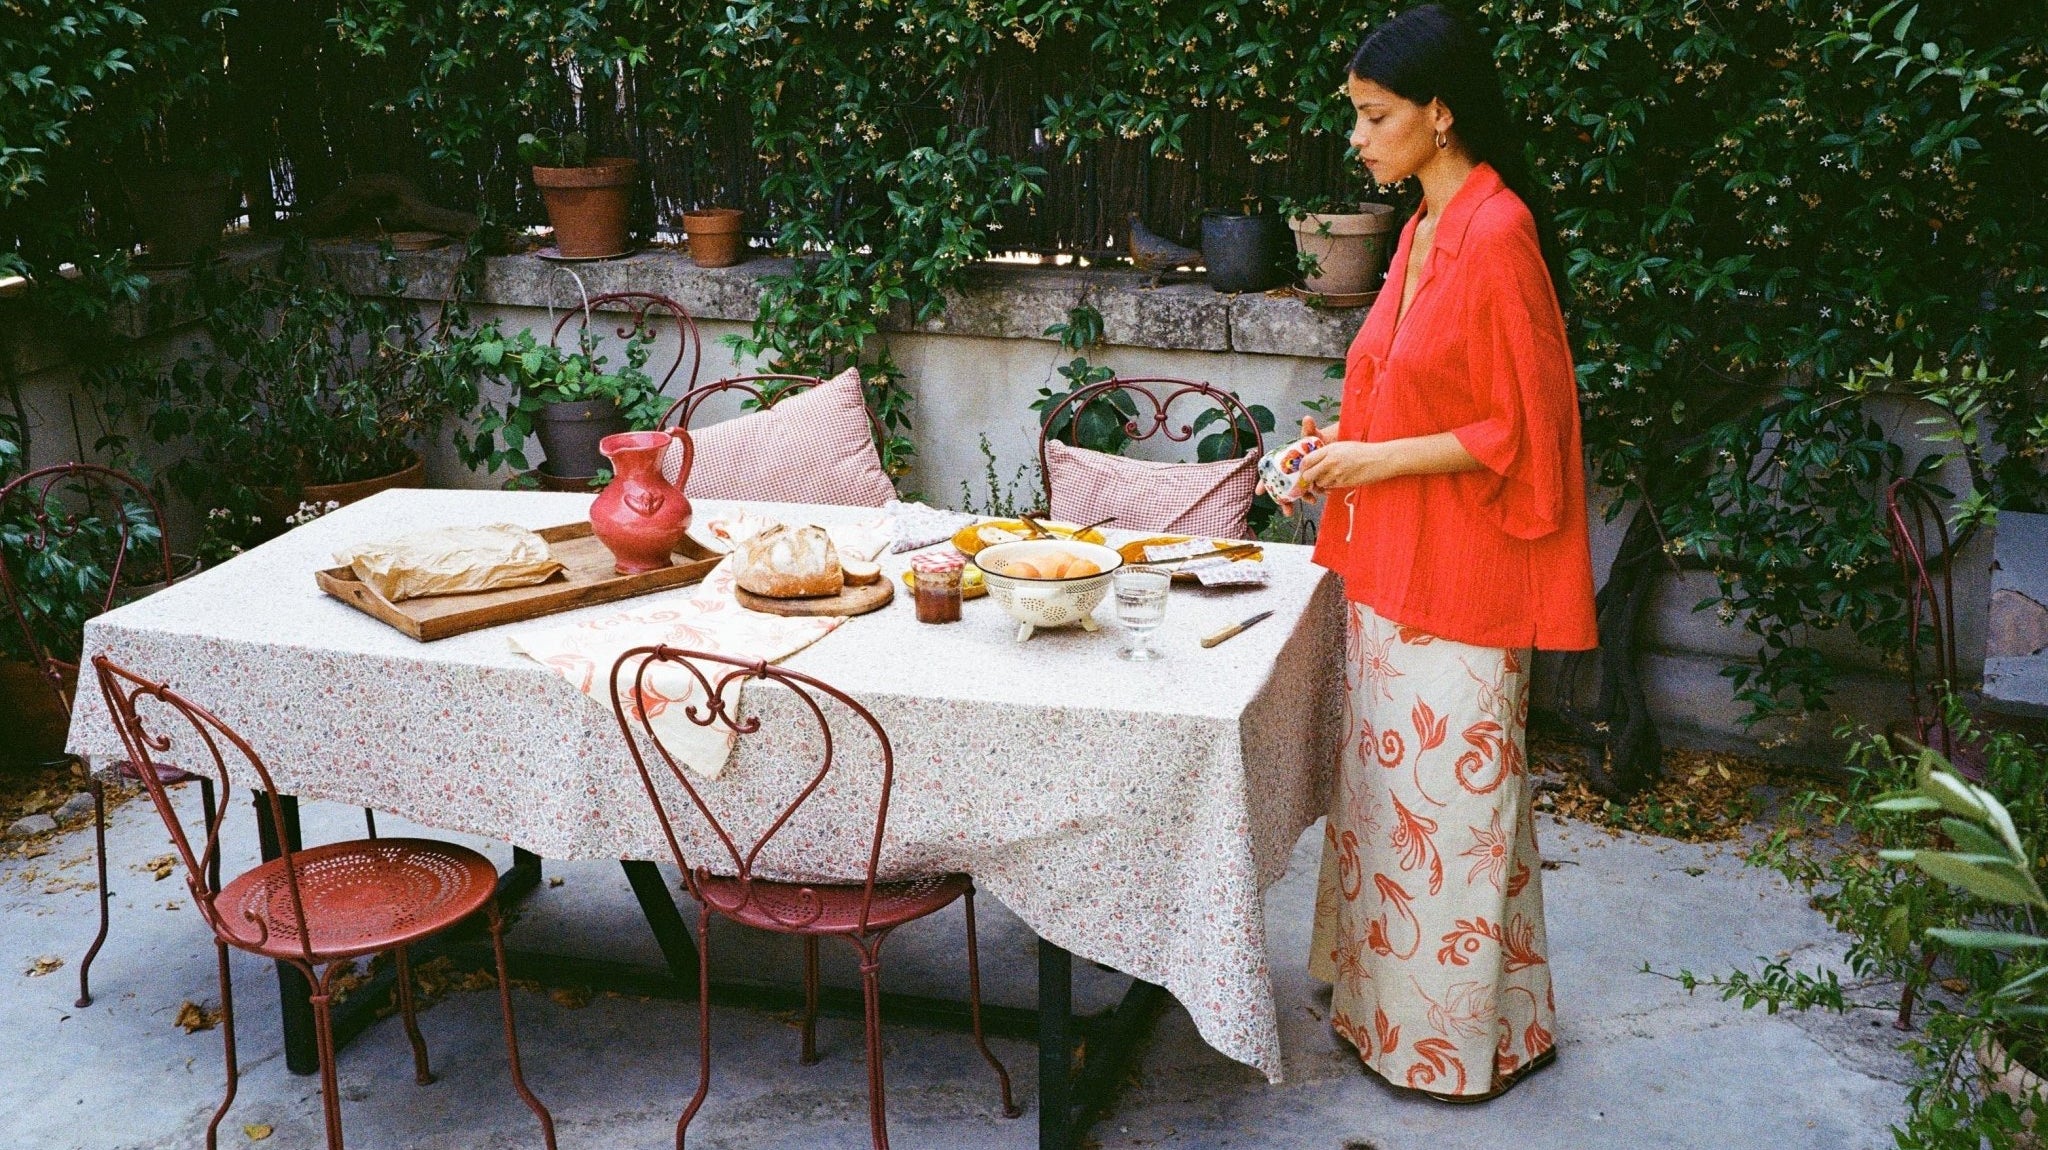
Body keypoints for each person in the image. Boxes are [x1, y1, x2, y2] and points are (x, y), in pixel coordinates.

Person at [1273, 4, 1599, 1101]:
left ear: (1440, 114)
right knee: (1394, 806)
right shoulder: (1422, 224)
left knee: (1445, 822)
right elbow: (1412, 391)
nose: (1357, 138)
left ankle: (1441, 1048)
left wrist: (1373, 464)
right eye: (1356, 117)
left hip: (1461, 575)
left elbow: (1525, 431)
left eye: (1373, 116)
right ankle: (1421, 1016)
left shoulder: (1497, 235)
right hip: (1395, 565)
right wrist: (1340, 448)